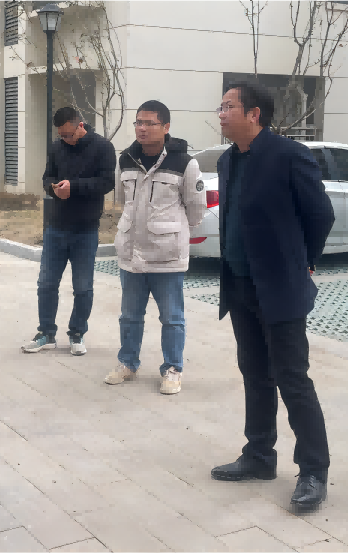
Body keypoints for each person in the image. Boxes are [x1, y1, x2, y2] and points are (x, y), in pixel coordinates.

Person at [210, 81, 334, 509]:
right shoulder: (228, 160)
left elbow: (320, 215)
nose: (221, 113)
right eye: (220, 106)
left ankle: (313, 471)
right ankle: (259, 455)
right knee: (254, 373)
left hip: (280, 288)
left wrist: (304, 260)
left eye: (228, 106)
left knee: (292, 379)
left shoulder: (289, 156)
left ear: (254, 114)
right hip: (240, 286)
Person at [104, 101, 205, 393]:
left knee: (172, 318)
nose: (142, 128)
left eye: (149, 123)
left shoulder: (184, 163)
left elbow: (196, 209)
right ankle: (128, 363)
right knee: (129, 316)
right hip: (132, 254)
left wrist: (171, 231)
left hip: (167, 257)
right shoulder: (125, 159)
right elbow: (123, 200)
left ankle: (172, 369)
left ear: (166, 127)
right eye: (138, 122)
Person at [21, 106, 116, 356]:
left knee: (83, 287)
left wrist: (74, 187)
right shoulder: (57, 148)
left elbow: (106, 182)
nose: (65, 139)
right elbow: (47, 178)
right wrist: (53, 189)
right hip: (56, 227)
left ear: (80, 126)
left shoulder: (103, 147)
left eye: (68, 135)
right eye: (61, 135)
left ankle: (77, 333)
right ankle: (46, 333)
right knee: (46, 283)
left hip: (86, 229)